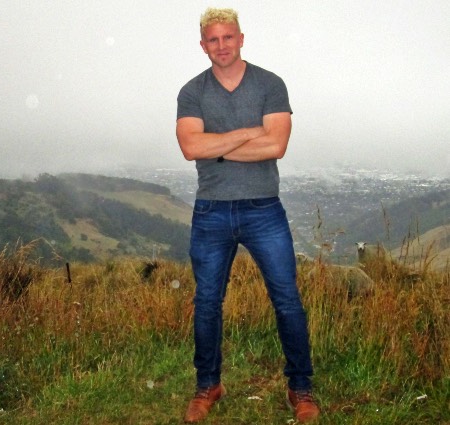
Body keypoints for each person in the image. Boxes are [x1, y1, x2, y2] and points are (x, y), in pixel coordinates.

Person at [175, 7, 320, 423]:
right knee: (206, 302)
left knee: (287, 301)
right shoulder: (191, 92)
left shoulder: (270, 85)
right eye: (212, 40)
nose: (221, 46)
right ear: (203, 45)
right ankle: (208, 385)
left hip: (263, 208)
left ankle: (301, 388)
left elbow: (276, 146)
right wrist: (248, 133)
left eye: (227, 38)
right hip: (211, 211)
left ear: (241, 38)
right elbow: (190, 148)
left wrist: (216, 146)